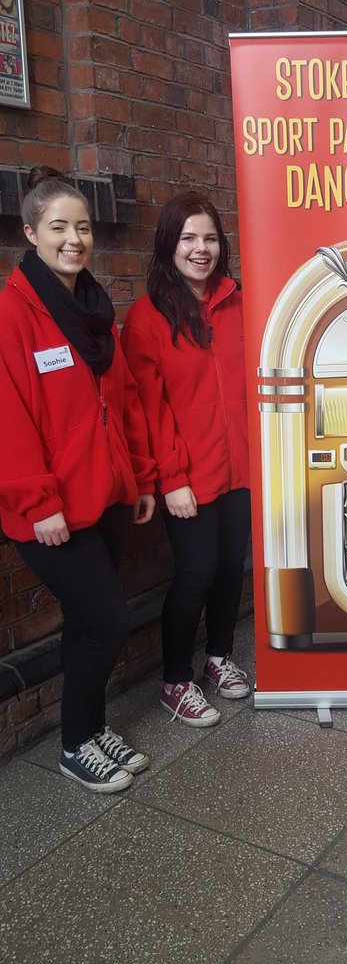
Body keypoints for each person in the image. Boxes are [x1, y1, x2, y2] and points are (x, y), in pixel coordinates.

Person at [0, 167, 156, 791]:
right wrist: (39, 503)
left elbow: (125, 403)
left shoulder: (95, 308)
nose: (74, 239)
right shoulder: (13, 314)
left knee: (88, 623)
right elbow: (8, 417)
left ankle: (89, 726)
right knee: (107, 621)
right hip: (50, 510)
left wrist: (140, 478)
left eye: (83, 227)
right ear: (32, 231)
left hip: (107, 494)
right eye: (59, 226)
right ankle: (73, 744)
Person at [122, 191, 250, 727]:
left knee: (228, 572)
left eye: (210, 238)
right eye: (189, 239)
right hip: (188, 477)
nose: (201, 249)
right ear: (169, 246)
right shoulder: (147, 317)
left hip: (242, 469)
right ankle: (176, 679)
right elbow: (147, 410)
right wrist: (169, 478)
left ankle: (218, 657)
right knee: (195, 574)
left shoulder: (243, 301)